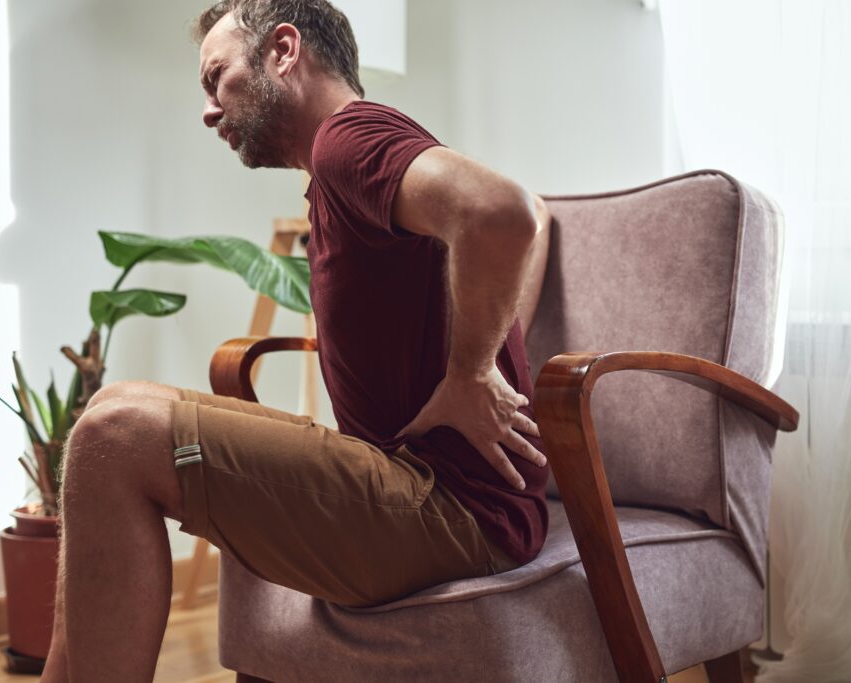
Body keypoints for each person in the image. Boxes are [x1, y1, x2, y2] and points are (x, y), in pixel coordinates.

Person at [41, 1, 552, 680]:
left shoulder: (348, 140)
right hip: (431, 492)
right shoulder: (341, 168)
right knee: (110, 411)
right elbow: (539, 218)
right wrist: (482, 353)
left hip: (450, 508)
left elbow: (505, 213)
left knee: (115, 440)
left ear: (283, 51)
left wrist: (473, 371)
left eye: (215, 77)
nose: (207, 110)